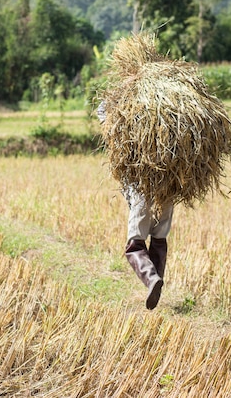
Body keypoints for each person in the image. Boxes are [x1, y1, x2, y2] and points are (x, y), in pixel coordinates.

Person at [98, 101, 173, 310]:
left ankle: (151, 280)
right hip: (170, 185)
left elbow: (103, 113)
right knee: (159, 238)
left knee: (135, 244)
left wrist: (116, 97)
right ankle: (155, 284)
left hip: (141, 188)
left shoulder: (126, 125)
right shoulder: (168, 116)